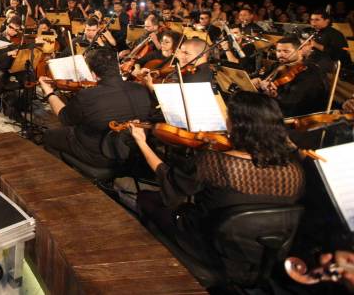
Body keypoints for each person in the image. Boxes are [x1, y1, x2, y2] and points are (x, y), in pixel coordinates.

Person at [130, 92, 305, 265]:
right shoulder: (294, 169)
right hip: (262, 252)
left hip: (209, 245)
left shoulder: (215, 162)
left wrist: (141, 143)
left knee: (148, 199)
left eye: (228, 117)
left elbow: (171, 183)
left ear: (239, 125)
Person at [39, 47, 152, 170]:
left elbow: (63, 117)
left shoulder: (87, 96)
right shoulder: (141, 89)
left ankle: (65, 175)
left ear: (93, 74)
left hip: (100, 156)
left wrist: (49, 92)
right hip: (134, 152)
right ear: (118, 67)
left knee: (49, 135)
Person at [252, 35, 327, 117]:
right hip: (274, 107)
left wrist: (275, 95)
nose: (281, 54)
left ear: (299, 51)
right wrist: (257, 82)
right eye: (278, 51)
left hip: (296, 115)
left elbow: (294, 102)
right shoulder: (277, 65)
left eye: (286, 51)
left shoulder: (309, 70)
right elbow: (264, 80)